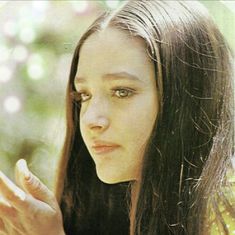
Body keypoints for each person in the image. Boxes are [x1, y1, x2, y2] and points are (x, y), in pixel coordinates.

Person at [0, 0, 234, 234]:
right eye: (84, 95)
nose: (91, 120)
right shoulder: (111, 213)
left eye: (122, 91)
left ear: (188, 96)